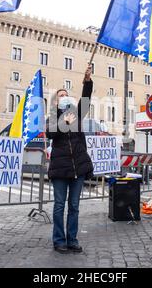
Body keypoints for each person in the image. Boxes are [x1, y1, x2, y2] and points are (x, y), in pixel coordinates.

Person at [46, 65, 94, 254]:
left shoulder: (77, 113)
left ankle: (72, 239)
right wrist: (63, 122)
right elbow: (50, 133)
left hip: (78, 168)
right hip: (60, 168)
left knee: (74, 206)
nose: (63, 96)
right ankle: (59, 240)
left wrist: (87, 80)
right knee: (59, 205)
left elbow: (86, 99)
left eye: (66, 93)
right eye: (60, 94)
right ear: (56, 101)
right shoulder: (52, 115)